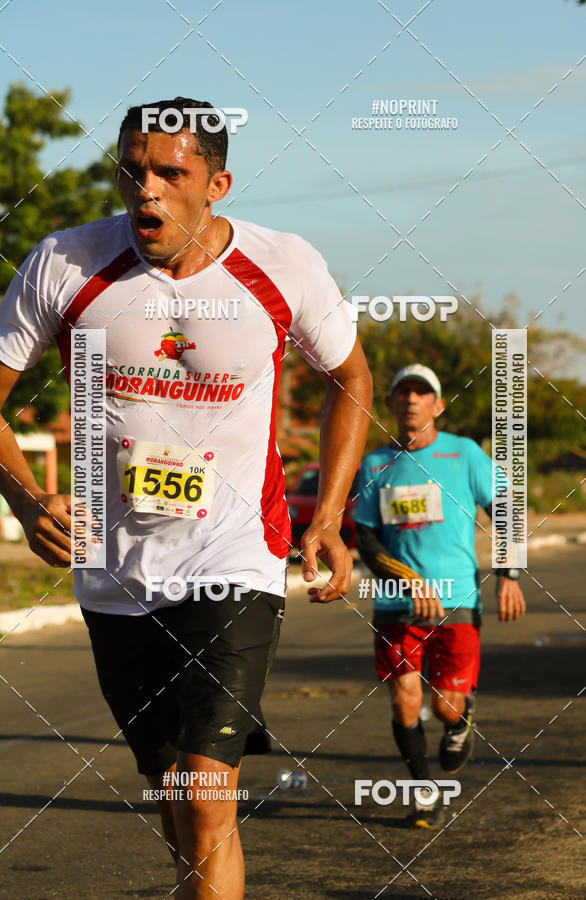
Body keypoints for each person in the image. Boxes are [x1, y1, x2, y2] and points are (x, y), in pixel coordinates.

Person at [0, 97, 373, 898]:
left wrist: (331, 515)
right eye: (134, 172)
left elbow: (350, 377)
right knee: (173, 788)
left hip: (235, 556)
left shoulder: (284, 265)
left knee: (207, 793)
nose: (147, 193)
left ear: (218, 183)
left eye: (172, 174)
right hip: (114, 572)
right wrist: (29, 501)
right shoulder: (66, 264)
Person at [354, 364, 525, 829]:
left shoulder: (465, 455)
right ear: (388, 405)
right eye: (402, 393)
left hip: (458, 601)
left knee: (443, 705)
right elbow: (365, 539)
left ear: (438, 404)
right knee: (404, 700)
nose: (411, 400)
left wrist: (508, 573)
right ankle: (424, 794)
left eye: (421, 393)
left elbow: (507, 507)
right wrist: (407, 579)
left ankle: (459, 719)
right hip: (396, 602)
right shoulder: (374, 465)